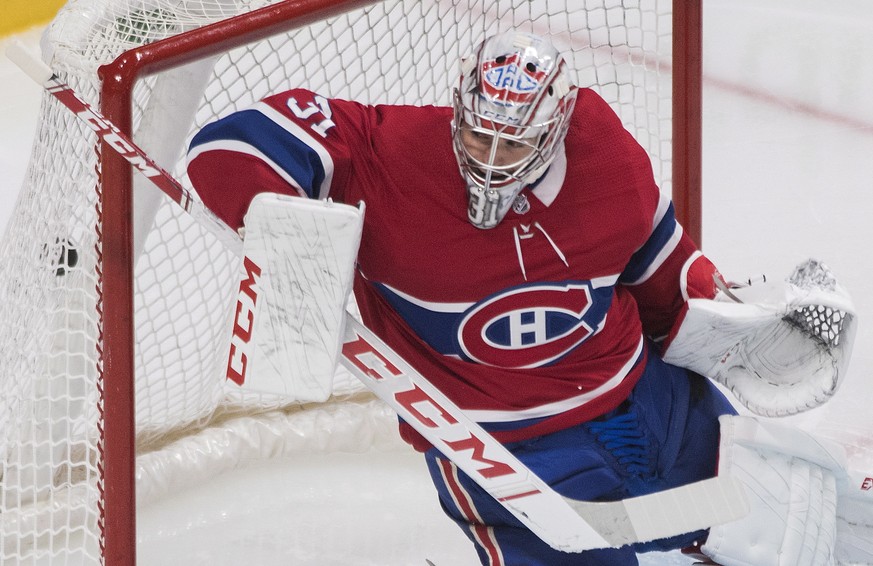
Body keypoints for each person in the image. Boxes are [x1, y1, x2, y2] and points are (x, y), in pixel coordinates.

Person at [186, 31, 857, 565]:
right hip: (511, 451)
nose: (492, 158)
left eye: (518, 142)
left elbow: (661, 276)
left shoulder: (606, 157)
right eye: (479, 135)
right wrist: (279, 222)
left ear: (558, 123)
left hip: (648, 403)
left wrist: (730, 317)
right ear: (459, 107)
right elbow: (230, 142)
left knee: (799, 527)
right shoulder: (386, 151)